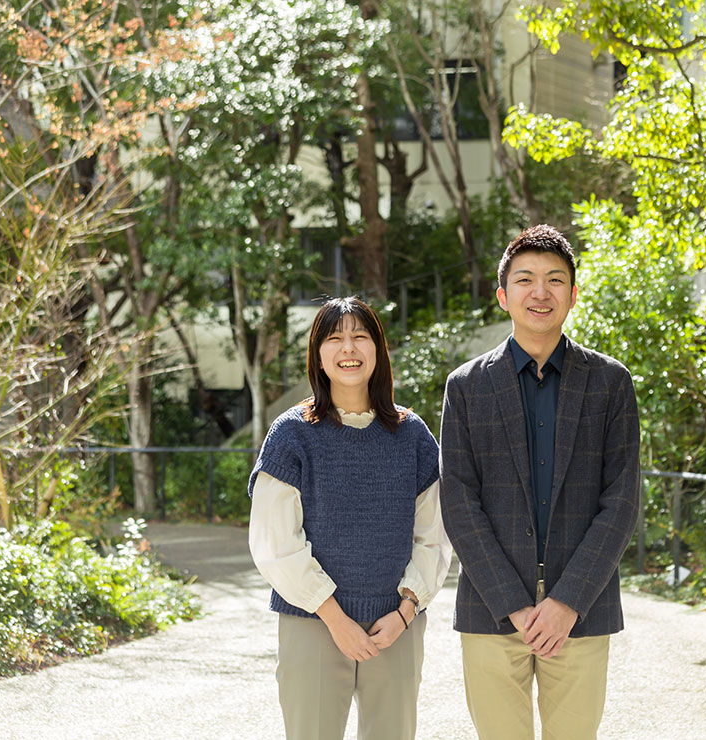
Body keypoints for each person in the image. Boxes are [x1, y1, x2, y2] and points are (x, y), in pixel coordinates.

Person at [439, 224, 641, 740]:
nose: (540, 292)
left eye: (555, 279)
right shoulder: (466, 387)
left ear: (573, 294)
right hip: (491, 607)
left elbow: (621, 501)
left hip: (583, 610)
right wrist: (514, 602)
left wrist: (566, 601)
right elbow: (459, 500)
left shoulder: (610, 383)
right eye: (525, 279)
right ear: (503, 295)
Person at [247, 296, 451, 740]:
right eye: (335, 338)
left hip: (395, 625)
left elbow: (434, 536)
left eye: (361, 337)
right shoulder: (292, 434)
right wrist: (335, 617)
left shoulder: (412, 435)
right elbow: (274, 541)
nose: (349, 348)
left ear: (378, 351)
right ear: (318, 355)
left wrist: (406, 610)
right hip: (312, 621)